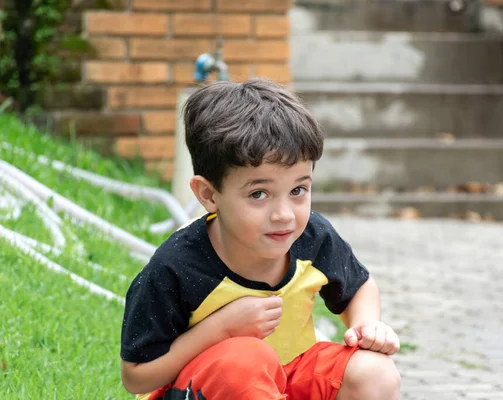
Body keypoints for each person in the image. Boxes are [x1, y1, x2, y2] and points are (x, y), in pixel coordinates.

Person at [120, 78, 402, 400]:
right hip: (207, 385)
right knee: (247, 362)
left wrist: (366, 325)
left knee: (374, 372)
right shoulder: (176, 267)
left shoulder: (312, 237)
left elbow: (359, 287)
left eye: (298, 190)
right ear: (209, 194)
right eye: (259, 194)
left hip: (286, 377)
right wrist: (220, 329)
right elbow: (136, 378)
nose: (284, 214)